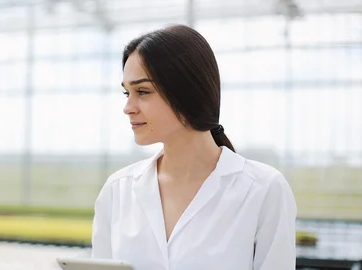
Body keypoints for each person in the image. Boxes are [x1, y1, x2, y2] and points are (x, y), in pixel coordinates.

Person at [90, 24, 297, 270]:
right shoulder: (117, 191)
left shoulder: (264, 190)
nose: (128, 107)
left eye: (143, 91)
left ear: (187, 93)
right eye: (127, 93)